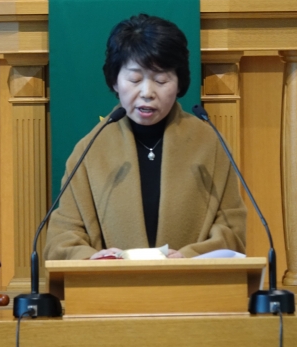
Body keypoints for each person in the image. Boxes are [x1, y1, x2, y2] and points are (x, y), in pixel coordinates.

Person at [44, 14, 246, 260]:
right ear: (115, 81)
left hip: (190, 281)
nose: (147, 92)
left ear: (179, 83)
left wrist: (188, 257)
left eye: (161, 80)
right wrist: (96, 259)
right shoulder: (90, 149)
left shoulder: (209, 143)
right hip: (111, 283)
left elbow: (232, 230)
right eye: (135, 79)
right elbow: (61, 238)